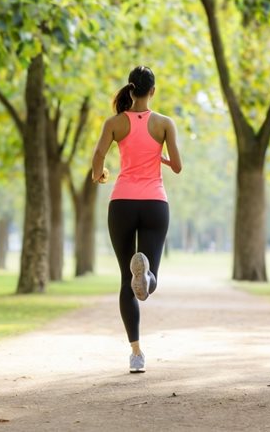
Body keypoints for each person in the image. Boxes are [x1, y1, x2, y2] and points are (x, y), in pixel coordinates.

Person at [91, 65, 182, 374]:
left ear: (130, 89)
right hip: (155, 203)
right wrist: (162, 157)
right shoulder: (164, 124)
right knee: (147, 278)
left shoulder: (115, 123)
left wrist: (98, 174)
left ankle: (136, 353)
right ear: (152, 91)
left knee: (125, 282)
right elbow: (178, 166)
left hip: (122, 203)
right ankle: (148, 276)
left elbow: (98, 155)